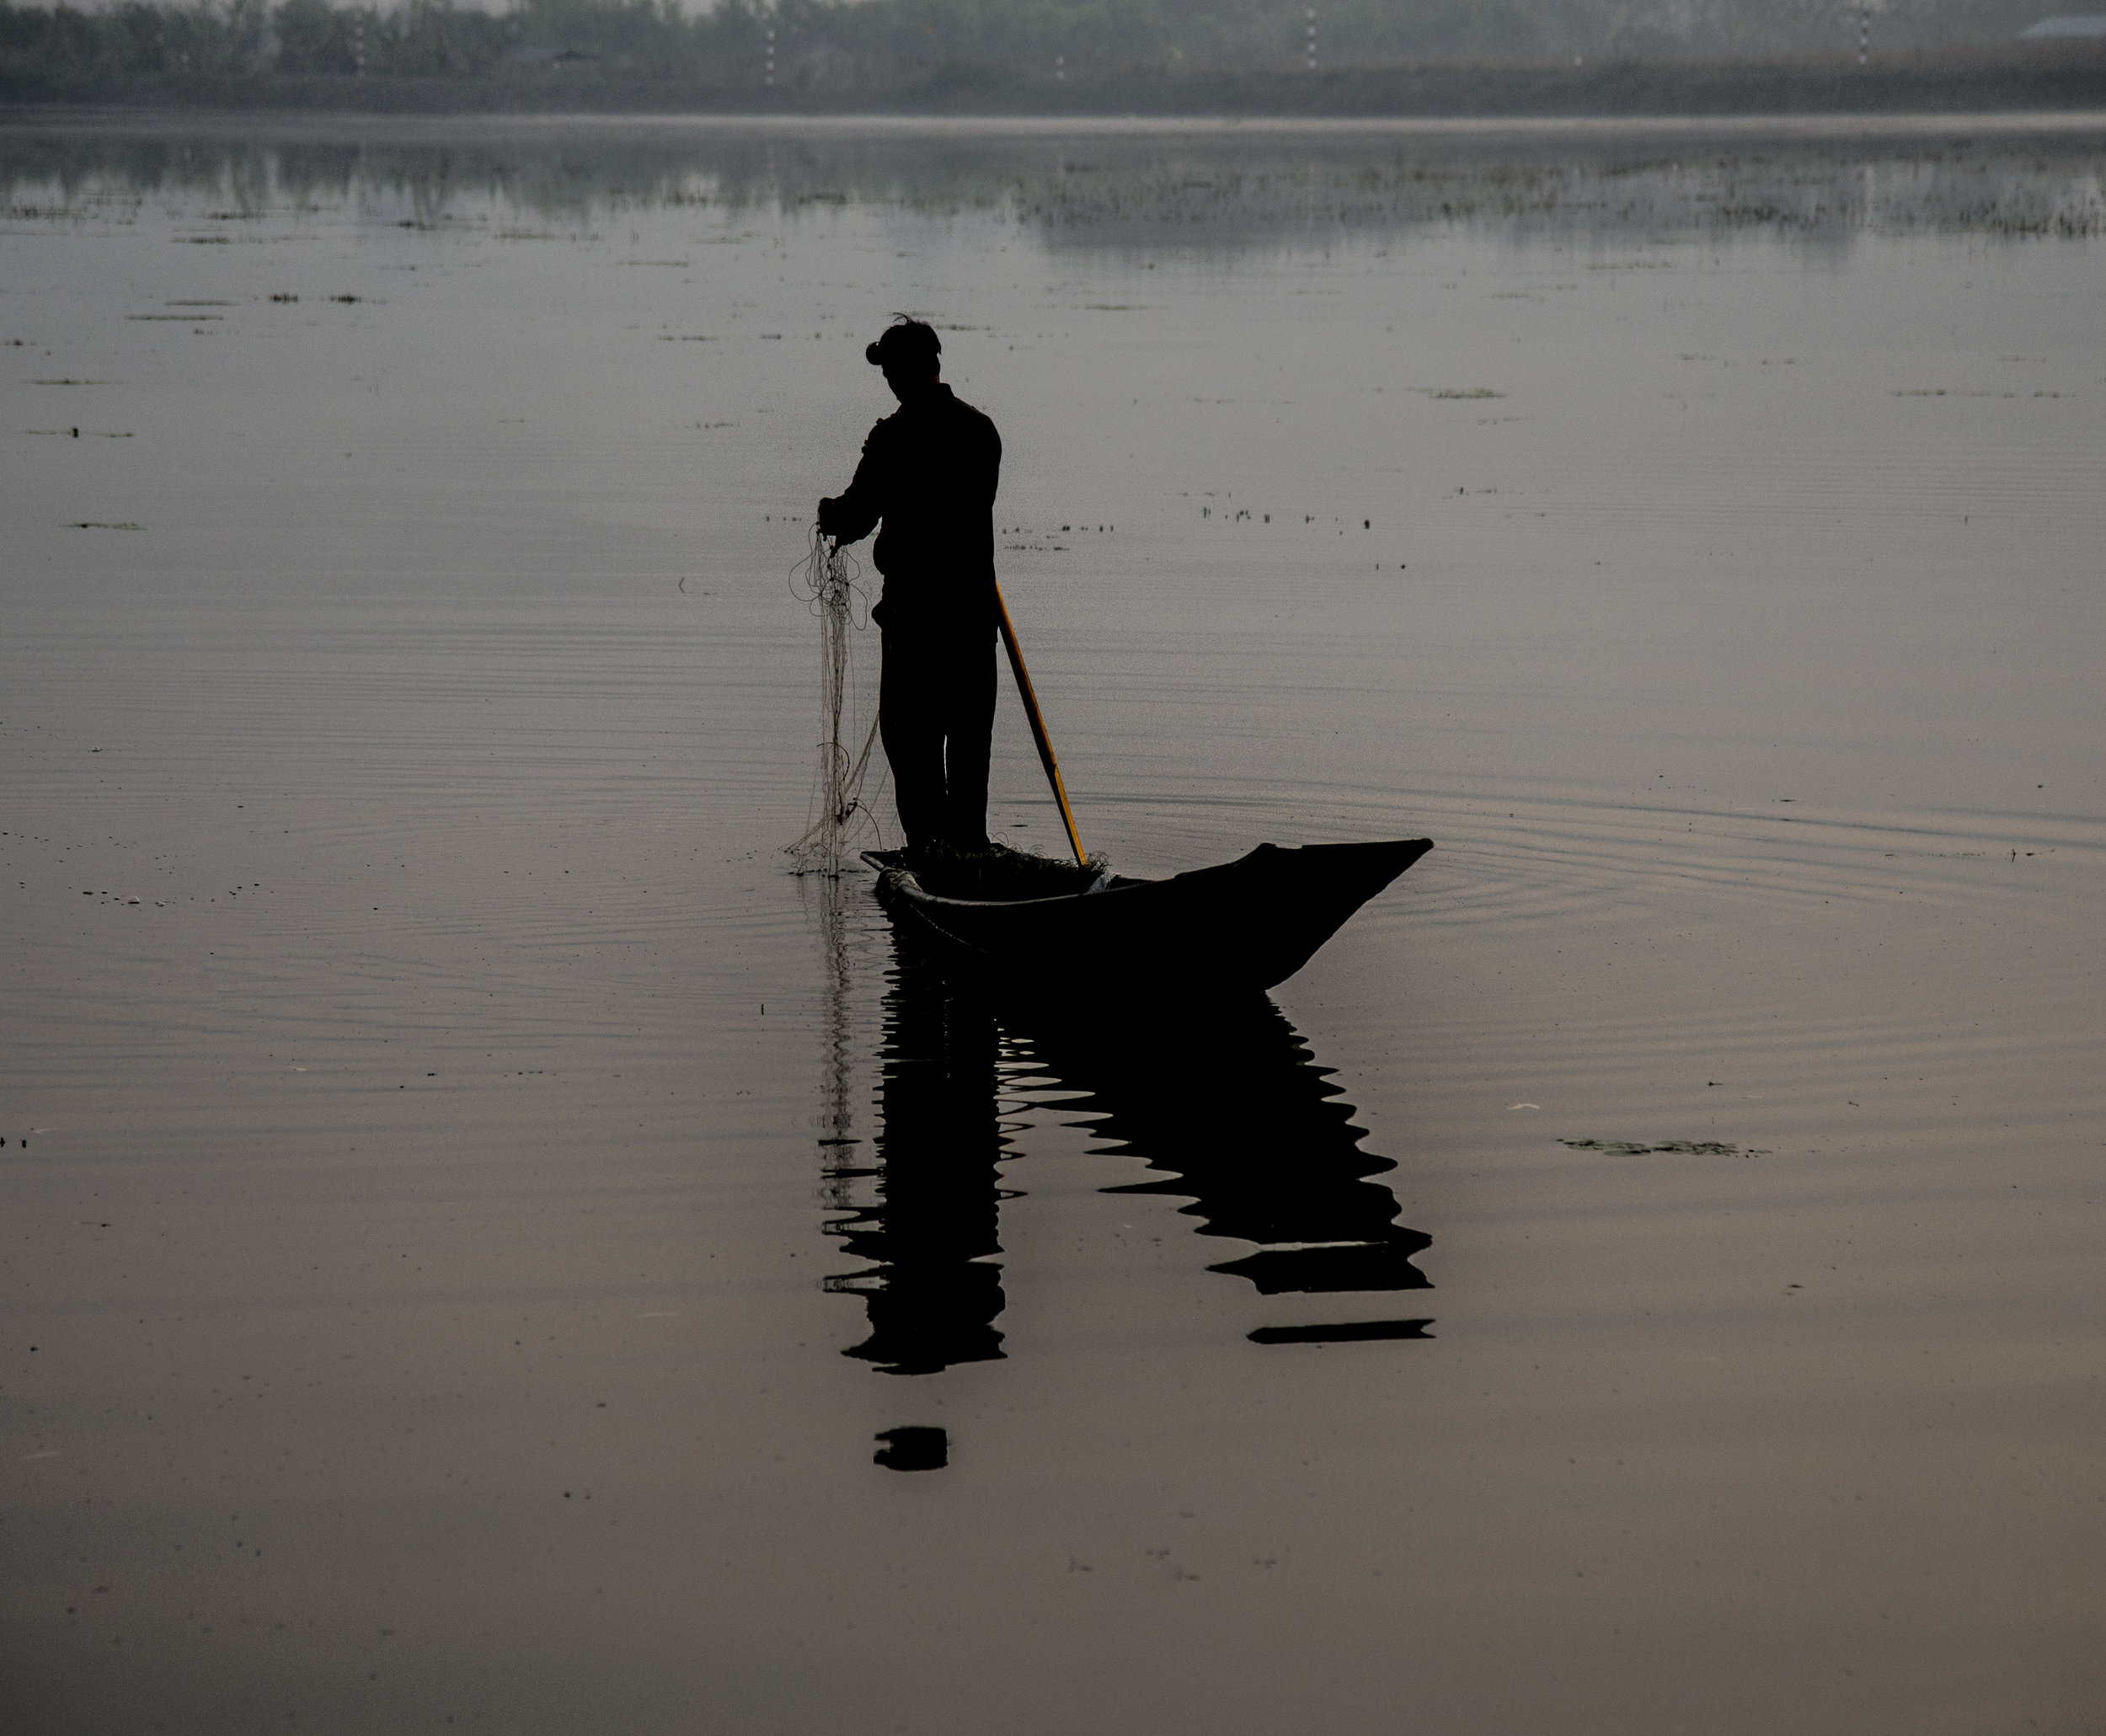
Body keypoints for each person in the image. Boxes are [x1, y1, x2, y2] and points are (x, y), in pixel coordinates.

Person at [817, 318, 1002, 857]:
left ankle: (929, 848)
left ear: (908, 370)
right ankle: (968, 846)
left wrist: (830, 514)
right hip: (973, 614)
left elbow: (855, 517)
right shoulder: (981, 431)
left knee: (912, 740)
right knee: (970, 741)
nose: (888, 382)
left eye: (891, 371)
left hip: (917, 617)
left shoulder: (894, 438)